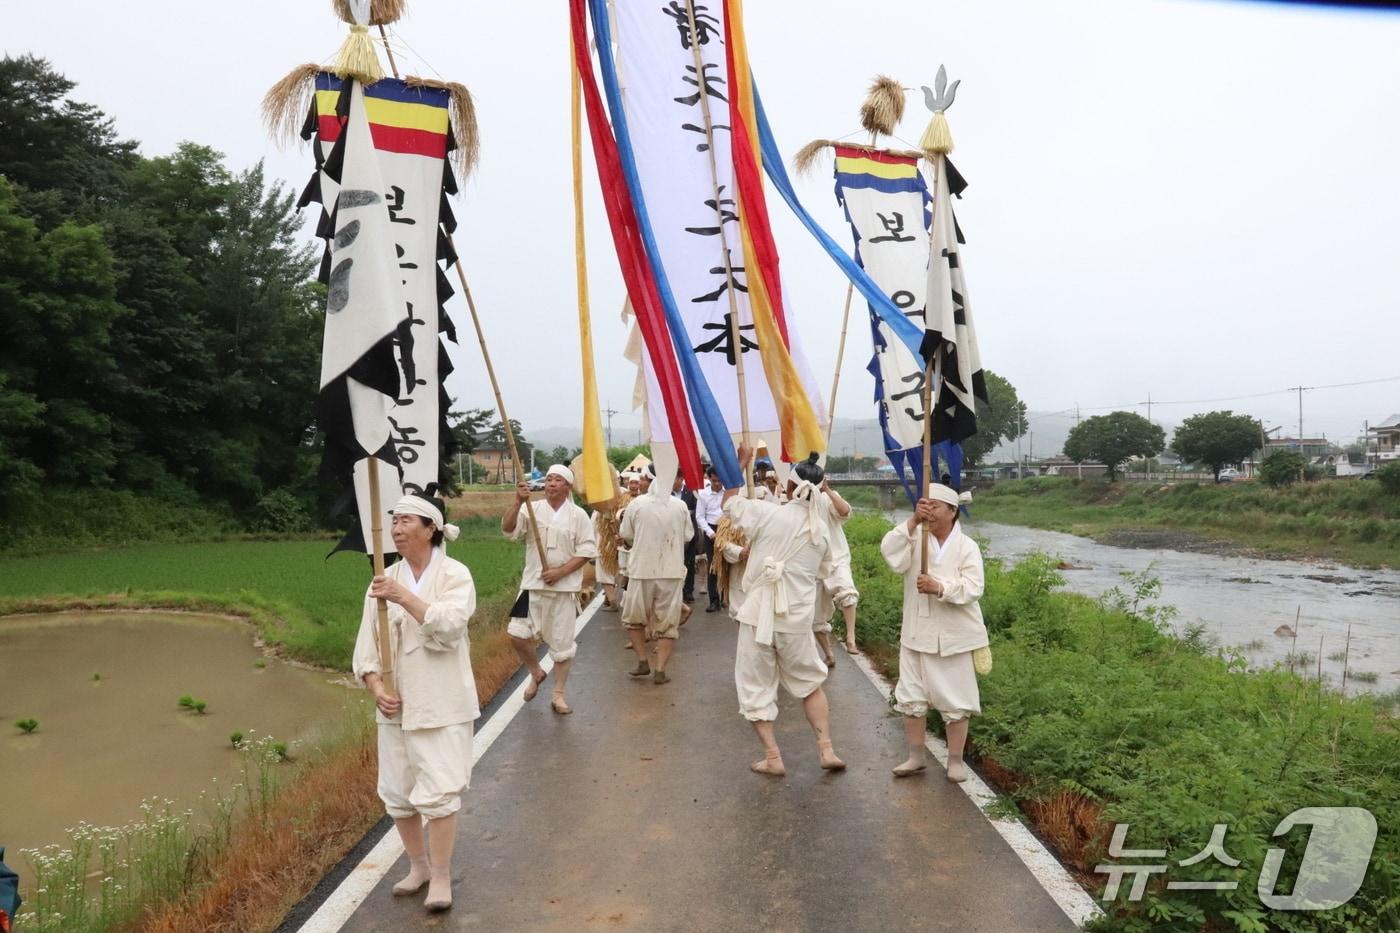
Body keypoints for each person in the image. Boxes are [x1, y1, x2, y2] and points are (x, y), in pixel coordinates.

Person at [353, 493, 478, 912]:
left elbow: (450, 626)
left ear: (431, 529)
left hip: (441, 705)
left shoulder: (455, 575)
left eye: (407, 521)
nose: (397, 529)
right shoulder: (383, 578)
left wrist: (403, 597)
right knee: (398, 793)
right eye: (394, 522)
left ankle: (441, 875)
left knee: (440, 791)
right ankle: (418, 866)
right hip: (395, 707)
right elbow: (366, 646)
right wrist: (376, 687)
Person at [722, 446, 845, 776]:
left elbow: (729, 503)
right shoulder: (821, 535)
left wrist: (739, 466)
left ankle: (773, 756)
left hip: (758, 617)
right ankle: (826, 749)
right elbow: (822, 572)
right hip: (795, 620)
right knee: (810, 683)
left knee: (755, 686)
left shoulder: (767, 513)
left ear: (789, 488)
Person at [879, 483, 986, 781]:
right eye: (927, 505)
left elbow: (974, 588)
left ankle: (955, 760)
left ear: (953, 511)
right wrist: (912, 522)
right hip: (916, 631)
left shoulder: (967, 547)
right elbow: (889, 551)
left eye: (937, 506)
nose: (931, 511)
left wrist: (940, 587)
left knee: (956, 701)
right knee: (911, 697)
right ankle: (916, 756)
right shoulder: (915, 538)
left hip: (954, 636)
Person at [502, 464, 598, 715]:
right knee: (517, 634)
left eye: (557, 480)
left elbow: (587, 551)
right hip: (532, 586)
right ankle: (536, 670)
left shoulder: (578, 516)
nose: (551, 484)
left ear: (567, 487)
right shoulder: (530, 509)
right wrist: (516, 502)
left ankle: (558, 694)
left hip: (563, 591)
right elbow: (508, 529)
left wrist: (560, 572)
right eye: (548, 480)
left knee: (562, 646)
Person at [619, 464, 693, 684]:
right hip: (671, 572)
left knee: (633, 620)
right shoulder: (680, 506)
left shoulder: (636, 505)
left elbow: (626, 534)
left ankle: (643, 661)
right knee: (668, 625)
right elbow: (688, 536)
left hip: (641, 571)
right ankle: (660, 670)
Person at [811, 482, 860, 664]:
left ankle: (850, 638)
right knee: (816, 618)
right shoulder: (796, 504)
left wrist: (828, 491)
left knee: (847, 592)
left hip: (836, 557)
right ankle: (829, 655)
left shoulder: (826, 498)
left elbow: (844, 511)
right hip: (812, 565)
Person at [695, 466, 725, 611]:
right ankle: (714, 600)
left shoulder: (728, 491)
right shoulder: (703, 494)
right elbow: (699, 516)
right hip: (711, 531)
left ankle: (726, 598)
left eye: (719, 481)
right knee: (713, 567)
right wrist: (709, 533)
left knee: (728, 564)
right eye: (714, 481)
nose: (717, 484)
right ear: (709, 478)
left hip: (727, 529)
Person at [674, 473, 700, 602]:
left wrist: (687, 512)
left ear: (681, 479)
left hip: (689, 532)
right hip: (673, 533)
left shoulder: (690, 491)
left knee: (689, 562)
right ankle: (676, 590)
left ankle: (688, 591)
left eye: (676, 479)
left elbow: (698, 509)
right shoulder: (667, 493)